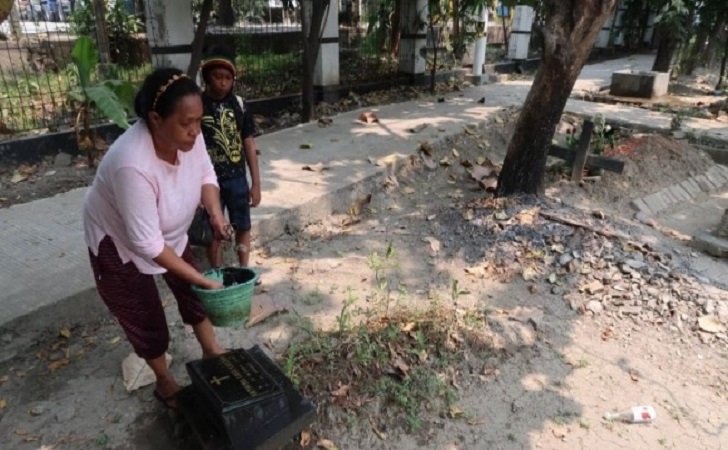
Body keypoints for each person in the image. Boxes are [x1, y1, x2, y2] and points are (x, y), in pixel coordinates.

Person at [83, 67, 229, 409]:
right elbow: (147, 244)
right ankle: (165, 382)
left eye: (198, 121)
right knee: (145, 314)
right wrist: (200, 279)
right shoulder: (131, 164)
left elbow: (206, 172)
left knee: (194, 295)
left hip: (167, 234)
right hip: (120, 244)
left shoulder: (189, 135)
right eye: (186, 123)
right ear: (155, 118)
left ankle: (212, 351)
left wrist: (216, 213)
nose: (195, 131)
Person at [198, 47, 262, 278]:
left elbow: (249, 143)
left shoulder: (239, 105)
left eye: (228, 78)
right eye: (217, 77)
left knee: (242, 223)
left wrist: (255, 183)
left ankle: (244, 270)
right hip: (209, 181)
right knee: (215, 228)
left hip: (236, 177)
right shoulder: (197, 105)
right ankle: (218, 273)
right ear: (206, 78)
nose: (223, 83)